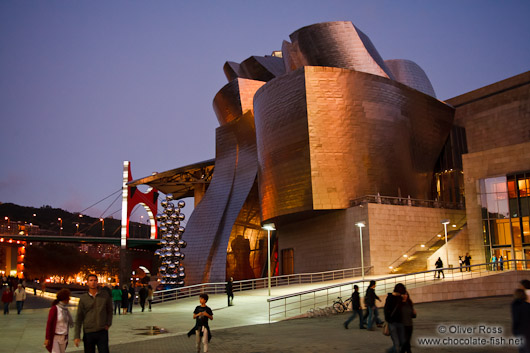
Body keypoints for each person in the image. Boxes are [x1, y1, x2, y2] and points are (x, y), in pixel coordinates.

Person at [74, 274, 113, 353]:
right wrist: (77, 336)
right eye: (91, 280)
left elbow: (110, 310)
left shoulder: (104, 295)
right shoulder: (84, 298)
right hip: (89, 332)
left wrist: (108, 324)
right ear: (87, 282)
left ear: (97, 282)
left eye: (95, 280)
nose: (93, 282)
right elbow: (79, 317)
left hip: (102, 331)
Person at [45, 288, 74, 353]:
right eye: (68, 297)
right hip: (55, 337)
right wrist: (47, 338)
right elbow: (49, 323)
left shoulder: (66, 310)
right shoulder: (55, 309)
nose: (69, 299)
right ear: (65, 298)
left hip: (64, 337)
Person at [384, 283, 406, 353]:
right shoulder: (390, 297)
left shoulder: (402, 298)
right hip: (392, 323)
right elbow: (386, 309)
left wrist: (404, 300)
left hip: (401, 323)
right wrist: (388, 319)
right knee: (396, 344)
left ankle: (390, 351)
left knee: (402, 342)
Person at [511, 289, 530, 353]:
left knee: (522, 348)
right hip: (528, 330)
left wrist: (514, 330)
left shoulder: (515, 305)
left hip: (520, 330)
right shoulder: (528, 305)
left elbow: (516, 319)